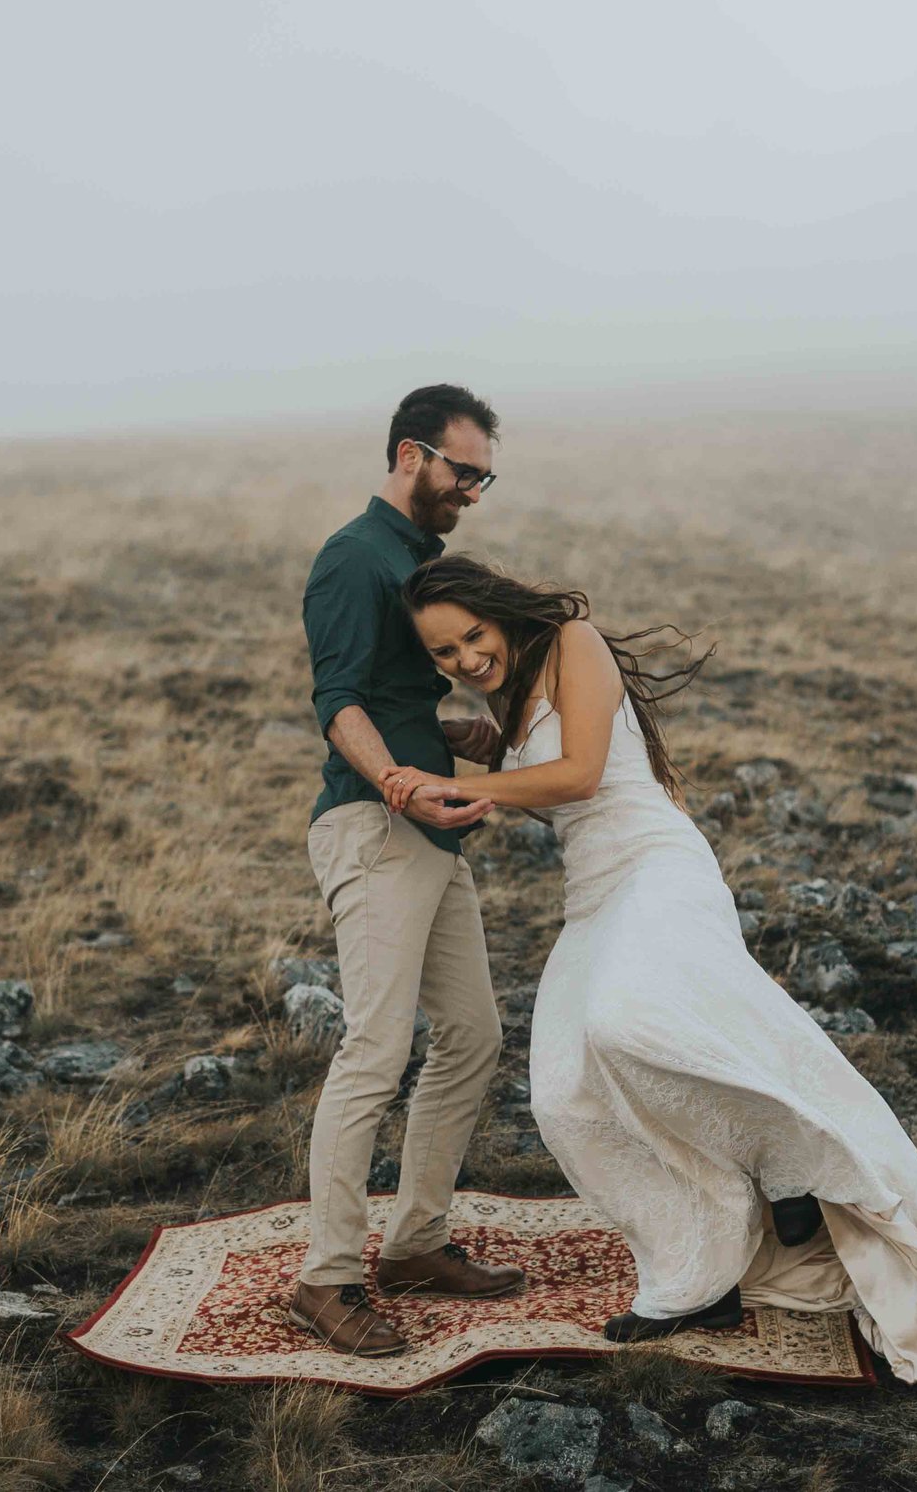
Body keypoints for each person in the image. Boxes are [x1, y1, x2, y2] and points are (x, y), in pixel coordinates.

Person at [383, 556, 917, 1382]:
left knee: (628, 1023)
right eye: (444, 654)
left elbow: (583, 772)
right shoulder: (505, 686)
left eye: (471, 636)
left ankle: (787, 1169)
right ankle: (694, 1278)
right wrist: (480, 742)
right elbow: (543, 777)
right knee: (563, 1093)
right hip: (591, 894)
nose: (465, 660)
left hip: (656, 867)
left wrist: (452, 777)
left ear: (499, 611)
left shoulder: (569, 641)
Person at [287, 386, 525, 1359]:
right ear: (408, 453)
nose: (471, 488)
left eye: (483, 475)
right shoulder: (355, 555)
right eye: (461, 469)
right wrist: (397, 779)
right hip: (374, 820)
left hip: (429, 827)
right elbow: (337, 697)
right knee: (375, 1049)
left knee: (473, 1032)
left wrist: (452, 732)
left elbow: (396, 692)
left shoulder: (419, 561)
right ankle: (328, 1277)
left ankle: (417, 1240)